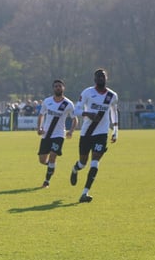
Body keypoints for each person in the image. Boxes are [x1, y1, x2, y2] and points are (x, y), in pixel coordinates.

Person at [69, 69, 119, 203]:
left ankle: (85, 193)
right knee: (82, 163)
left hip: (102, 133)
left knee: (95, 162)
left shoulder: (112, 95)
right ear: (94, 79)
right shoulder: (87, 92)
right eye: (98, 76)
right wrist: (88, 114)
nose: (101, 78)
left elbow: (114, 111)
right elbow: (76, 110)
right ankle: (75, 169)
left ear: (106, 78)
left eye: (103, 76)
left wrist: (115, 131)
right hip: (87, 133)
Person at [37, 79, 77, 188]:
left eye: (60, 86)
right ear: (53, 88)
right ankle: (51, 166)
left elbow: (74, 119)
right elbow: (41, 115)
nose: (58, 88)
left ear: (63, 88)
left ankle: (46, 182)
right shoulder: (47, 101)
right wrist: (39, 127)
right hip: (46, 134)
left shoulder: (68, 104)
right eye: (56, 86)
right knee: (42, 160)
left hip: (59, 135)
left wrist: (71, 131)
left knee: (53, 156)